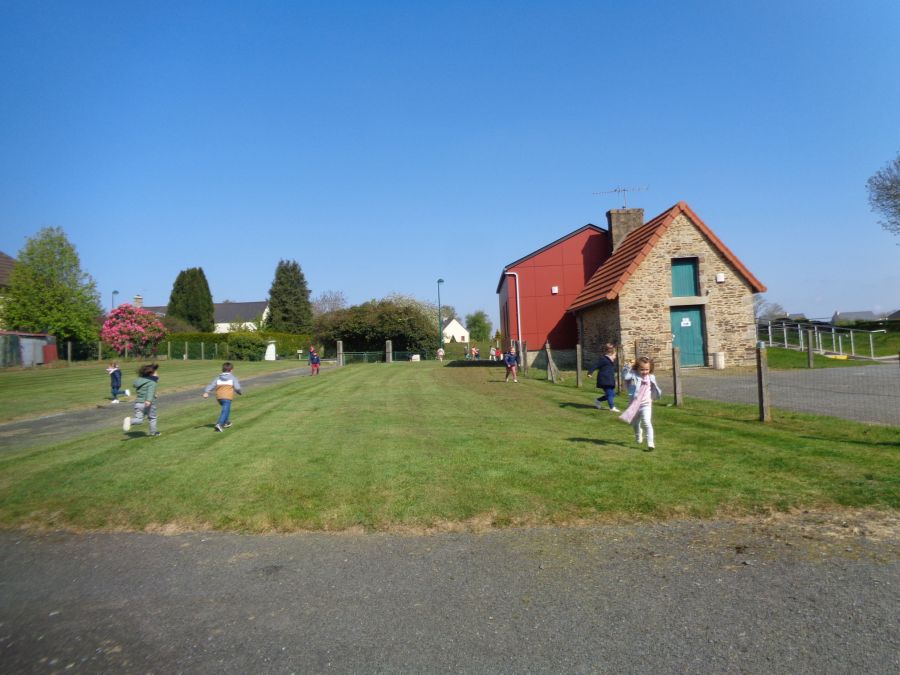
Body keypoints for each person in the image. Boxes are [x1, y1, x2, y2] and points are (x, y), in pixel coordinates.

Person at [620, 356, 662, 451]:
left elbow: (654, 388)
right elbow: (625, 376)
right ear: (637, 368)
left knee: (647, 422)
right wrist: (628, 366)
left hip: (646, 404)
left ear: (650, 369)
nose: (644, 371)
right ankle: (638, 434)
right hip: (634, 405)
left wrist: (654, 396)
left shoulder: (651, 377)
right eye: (642, 369)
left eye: (647, 369)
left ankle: (650, 443)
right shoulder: (633, 375)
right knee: (635, 423)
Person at [203, 361, 242, 432]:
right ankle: (219, 424)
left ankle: (226, 422)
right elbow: (237, 387)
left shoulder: (218, 378)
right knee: (225, 410)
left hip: (219, 398)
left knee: (226, 409)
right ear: (231, 370)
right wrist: (239, 392)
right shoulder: (233, 378)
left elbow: (211, 385)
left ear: (222, 369)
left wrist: (206, 392)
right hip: (227, 397)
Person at [123, 363, 161, 436]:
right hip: (148, 404)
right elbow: (150, 392)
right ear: (151, 374)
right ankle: (153, 432)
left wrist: (153, 395)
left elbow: (144, 391)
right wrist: (148, 400)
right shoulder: (152, 382)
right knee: (152, 418)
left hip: (138, 403)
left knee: (139, 419)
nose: (157, 374)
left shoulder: (140, 381)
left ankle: (130, 421)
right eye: (156, 372)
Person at [586, 344, 620, 412]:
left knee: (612, 394)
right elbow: (595, 365)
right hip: (604, 380)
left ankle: (598, 400)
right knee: (610, 394)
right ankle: (612, 407)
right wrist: (590, 373)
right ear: (610, 354)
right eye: (615, 355)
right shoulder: (604, 359)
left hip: (610, 380)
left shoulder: (610, 362)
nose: (615, 357)